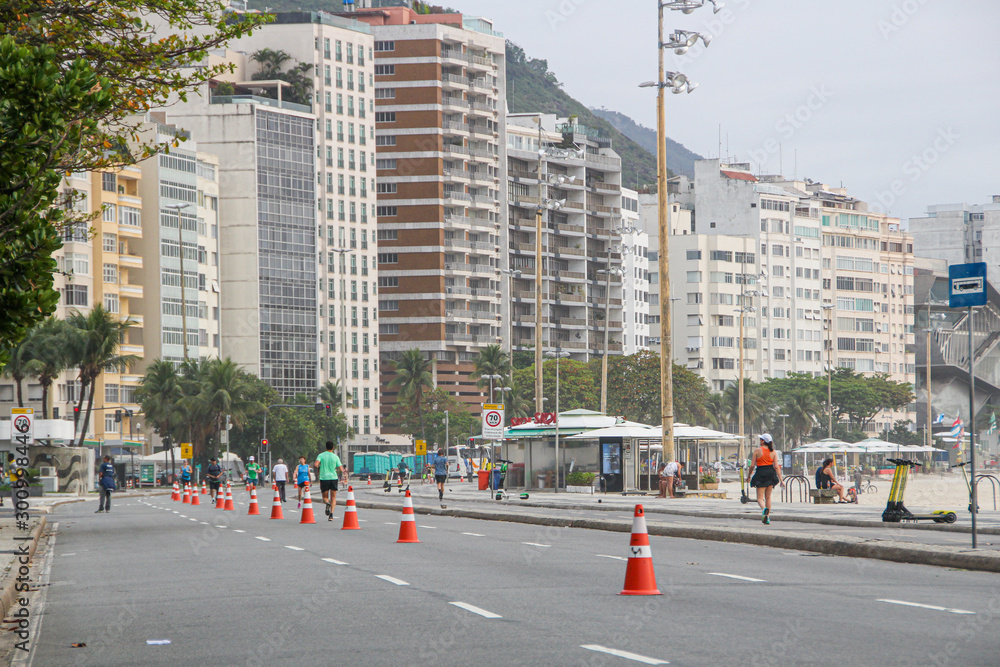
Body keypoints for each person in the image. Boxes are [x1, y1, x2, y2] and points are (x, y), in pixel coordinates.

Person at [747, 433, 784, 524]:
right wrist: (781, 479)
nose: (760, 441)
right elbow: (776, 467)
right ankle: (767, 517)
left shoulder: (757, 450)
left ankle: (764, 509)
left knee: (760, 498)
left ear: (763, 441)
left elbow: (752, 465)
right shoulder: (773, 452)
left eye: (761, 439)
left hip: (761, 472)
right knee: (768, 497)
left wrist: (749, 475)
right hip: (770, 473)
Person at [314, 441, 347, 522]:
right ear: (333, 448)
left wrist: (320, 466)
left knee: (325, 497)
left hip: (324, 478)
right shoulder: (335, 457)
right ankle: (331, 514)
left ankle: (327, 503)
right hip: (333, 478)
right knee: (333, 497)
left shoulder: (321, 455)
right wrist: (344, 474)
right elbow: (341, 468)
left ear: (326, 447)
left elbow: (315, 464)